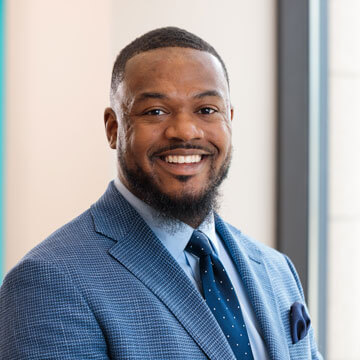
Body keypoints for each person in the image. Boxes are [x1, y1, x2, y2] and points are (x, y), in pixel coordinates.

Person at [0, 27, 322, 359]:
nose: (184, 130)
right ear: (114, 129)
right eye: (155, 111)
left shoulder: (277, 269)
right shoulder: (50, 281)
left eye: (206, 110)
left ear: (230, 120)